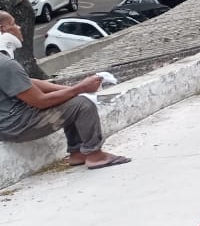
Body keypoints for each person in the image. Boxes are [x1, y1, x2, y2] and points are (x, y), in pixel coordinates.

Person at [0, 12, 131, 169]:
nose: (19, 27)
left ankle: (77, 153)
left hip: (8, 124)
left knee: (70, 98)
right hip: (16, 126)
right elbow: (40, 101)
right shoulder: (6, 64)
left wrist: (72, 89)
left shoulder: (5, 63)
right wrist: (80, 89)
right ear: (2, 29)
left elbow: (28, 82)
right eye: (13, 23)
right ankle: (95, 155)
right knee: (82, 104)